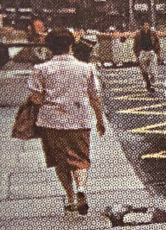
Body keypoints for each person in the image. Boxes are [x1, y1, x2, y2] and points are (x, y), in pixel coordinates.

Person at [27, 28, 107, 215]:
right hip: (79, 120)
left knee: (60, 162)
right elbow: (95, 97)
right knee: (80, 159)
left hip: (52, 122)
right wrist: (100, 120)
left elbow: (36, 99)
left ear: (50, 47)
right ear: (71, 46)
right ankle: (81, 189)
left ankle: (70, 197)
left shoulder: (40, 70)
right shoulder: (86, 69)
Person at [132, 22, 160, 91]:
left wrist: (157, 53)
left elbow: (157, 43)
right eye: (145, 25)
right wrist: (138, 54)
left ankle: (152, 79)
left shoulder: (153, 33)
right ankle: (148, 84)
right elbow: (135, 45)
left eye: (147, 25)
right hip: (143, 52)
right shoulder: (138, 34)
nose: (146, 26)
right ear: (142, 26)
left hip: (151, 51)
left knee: (153, 69)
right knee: (144, 70)